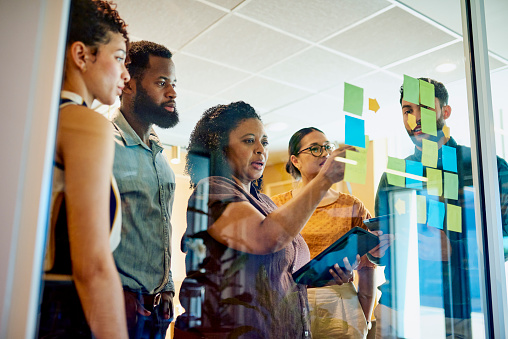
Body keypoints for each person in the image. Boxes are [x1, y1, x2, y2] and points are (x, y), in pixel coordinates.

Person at [174, 102, 354, 338]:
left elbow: (282, 274)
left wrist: (322, 275)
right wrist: (324, 179)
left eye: (264, 142)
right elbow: (266, 238)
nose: (260, 149)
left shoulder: (267, 203)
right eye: (249, 141)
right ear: (221, 148)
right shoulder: (212, 191)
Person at [369, 78, 508, 338]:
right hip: (397, 309)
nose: (416, 118)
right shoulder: (394, 175)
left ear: (446, 112)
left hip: (461, 312)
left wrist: (456, 249)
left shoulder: (485, 166)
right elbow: (385, 248)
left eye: (425, 108)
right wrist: (376, 250)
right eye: (408, 110)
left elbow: (506, 241)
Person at [38, 0, 130, 338]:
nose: (126, 74)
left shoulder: (41, 120)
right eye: (119, 58)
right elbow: (92, 266)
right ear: (82, 56)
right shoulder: (85, 123)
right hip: (64, 316)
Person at [271, 127, 376, 338]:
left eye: (328, 147)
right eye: (315, 149)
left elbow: (367, 269)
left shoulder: (352, 205)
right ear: (295, 160)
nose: (325, 153)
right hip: (291, 302)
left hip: (341, 301)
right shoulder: (278, 206)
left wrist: (363, 316)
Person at [110, 40, 178, 339]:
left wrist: (168, 287)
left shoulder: (160, 158)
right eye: (161, 82)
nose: (173, 91)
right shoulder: (103, 144)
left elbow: (160, 227)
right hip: (116, 305)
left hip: (157, 311)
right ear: (128, 84)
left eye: (174, 82)